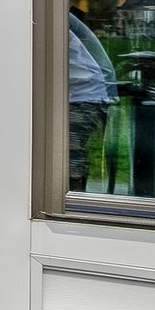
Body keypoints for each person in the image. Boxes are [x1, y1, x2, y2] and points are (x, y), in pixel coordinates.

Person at [68, 11, 117, 191]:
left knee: (69, 160)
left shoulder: (51, 14)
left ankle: (72, 204)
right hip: (86, 92)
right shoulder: (62, 17)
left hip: (82, 96)